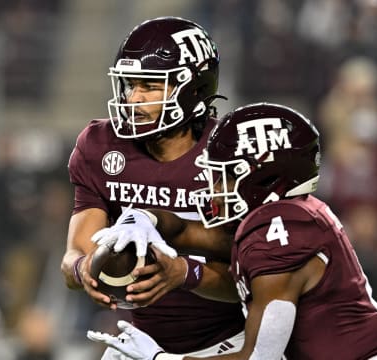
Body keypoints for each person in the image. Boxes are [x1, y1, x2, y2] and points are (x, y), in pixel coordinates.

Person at [87, 102, 377, 360]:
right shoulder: (284, 216)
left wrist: (161, 358)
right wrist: (145, 219)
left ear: (264, 177)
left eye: (226, 175)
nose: (214, 187)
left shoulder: (281, 230)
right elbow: (188, 232)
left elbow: (258, 358)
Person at [60, 16, 246, 358]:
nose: (133, 99)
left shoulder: (228, 155)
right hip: (143, 341)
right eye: (131, 85)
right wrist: (82, 269)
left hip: (228, 345)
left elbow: (253, 282)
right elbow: (75, 255)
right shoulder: (101, 146)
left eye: (149, 86)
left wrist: (184, 274)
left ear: (192, 89)